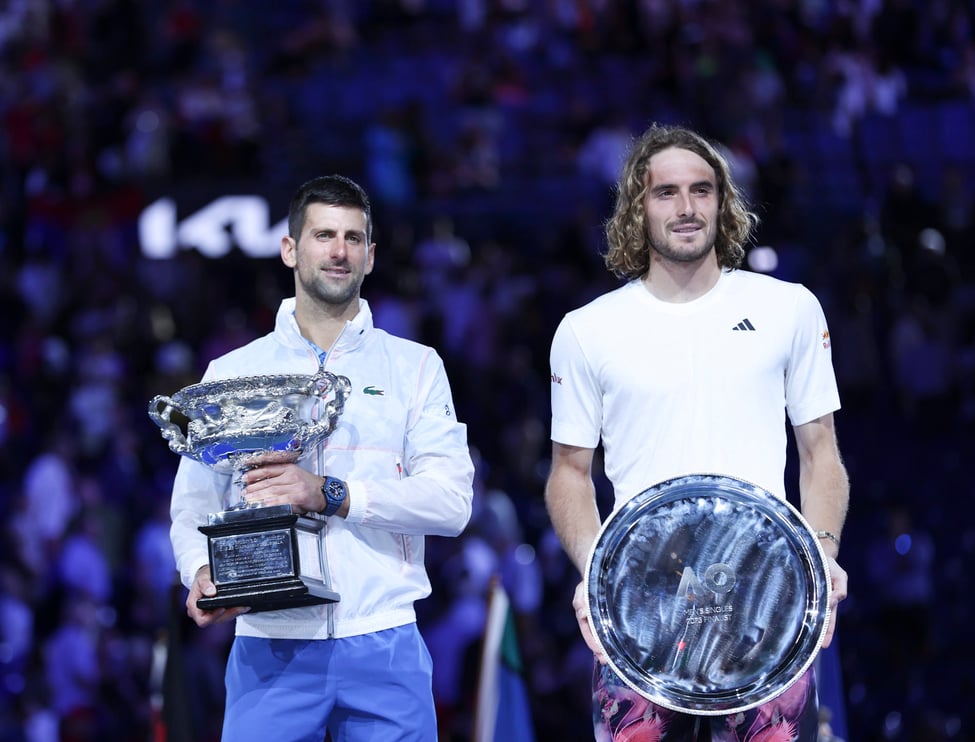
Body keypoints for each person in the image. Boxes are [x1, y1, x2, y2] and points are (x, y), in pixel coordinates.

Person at [544, 124, 850, 740]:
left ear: (722, 201)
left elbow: (821, 456)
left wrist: (823, 552)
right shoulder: (586, 330)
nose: (686, 208)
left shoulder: (788, 308)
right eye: (666, 193)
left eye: (701, 190)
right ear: (638, 208)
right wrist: (593, 572)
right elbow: (569, 475)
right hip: (638, 604)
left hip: (769, 596)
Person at [168, 174, 475, 741]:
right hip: (270, 646)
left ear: (371, 256)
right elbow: (192, 505)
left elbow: (452, 503)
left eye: (354, 238)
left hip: (385, 642)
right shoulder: (232, 373)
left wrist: (330, 493)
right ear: (290, 249)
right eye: (324, 235)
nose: (339, 251)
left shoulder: (415, 368)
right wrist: (201, 570)